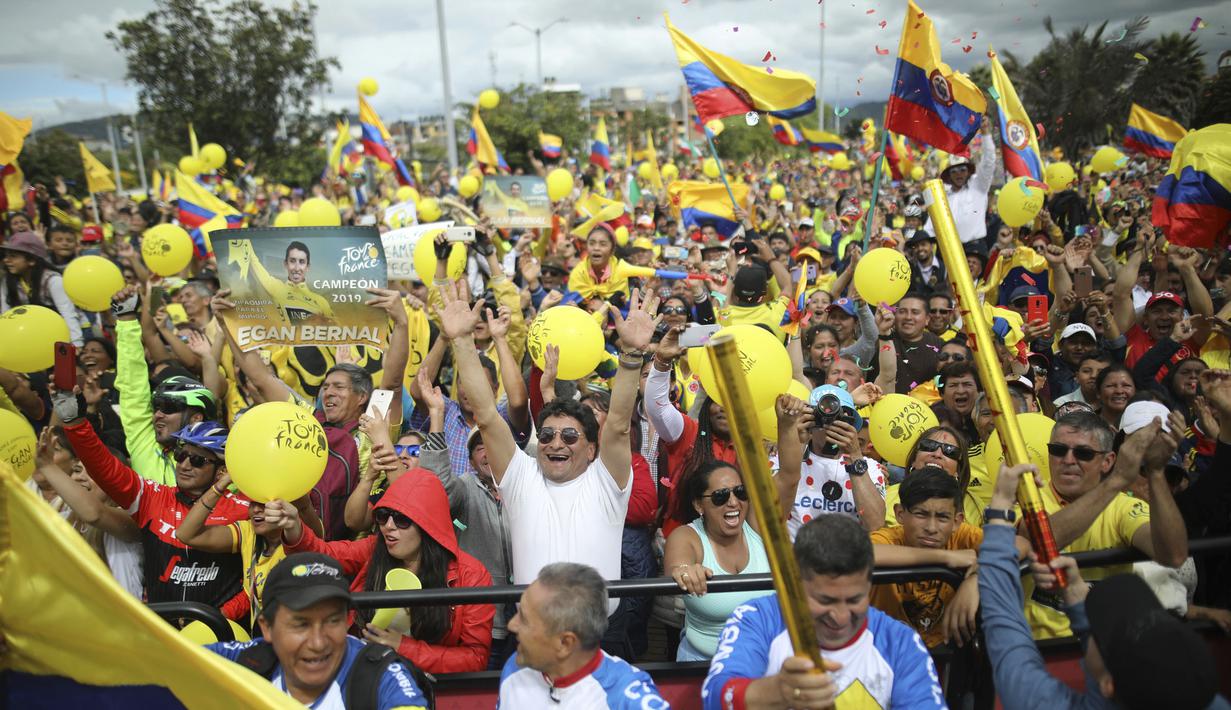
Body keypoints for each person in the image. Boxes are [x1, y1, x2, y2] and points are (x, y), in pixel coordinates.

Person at [446, 279, 653, 606]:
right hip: (531, 632)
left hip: (595, 633)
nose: (556, 443)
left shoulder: (606, 481)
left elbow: (617, 425)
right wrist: (460, 341)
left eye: (570, 435)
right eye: (547, 435)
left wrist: (630, 355)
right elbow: (486, 414)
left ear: (590, 449)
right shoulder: (521, 476)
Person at [978, 463, 1227, 710]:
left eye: (1099, 632)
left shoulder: (1047, 704)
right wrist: (1075, 592)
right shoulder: (1209, 702)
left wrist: (1000, 507)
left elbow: (1004, 627)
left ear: (1109, 685)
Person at [702, 515, 944, 710]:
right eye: (824, 600)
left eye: (854, 600)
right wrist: (776, 692)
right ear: (794, 584)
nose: (840, 616)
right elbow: (715, 697)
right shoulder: (758, 619)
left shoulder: (900, 643)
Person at [54, 387, 252, 620]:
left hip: (222, 632)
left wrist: (219, 619)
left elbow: (258, 579)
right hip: (160, 630)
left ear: (222, 472)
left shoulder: (244, 509)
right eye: (181, 455)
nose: (185, 465)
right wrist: (76, 423)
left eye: (197, 460)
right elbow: (105, 468)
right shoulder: (153, 497)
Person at [270, 469, 495, 673]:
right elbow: (322, 555)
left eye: (401, 519)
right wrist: (294, 526)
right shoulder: (374, 548)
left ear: (429, 524)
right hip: (365, 676)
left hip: (430, 689)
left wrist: (401, 647)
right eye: (382, 515)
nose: (388, 525)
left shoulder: (472, 576)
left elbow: (475, 658)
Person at [1028, 410, 1189, 639]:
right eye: (1058, 450)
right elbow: (1041, 539)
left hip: (1105, 648)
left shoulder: (1123, 506)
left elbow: (1173, 555)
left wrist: (1156, 471)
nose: (1068, 460)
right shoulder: (1026, 496)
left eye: (1083, 453)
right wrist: (1117, 480)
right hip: (1039, 650)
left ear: (1107, 461)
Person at [207, 553, 431, 709]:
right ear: (267, 627)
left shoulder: (379, 675)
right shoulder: (247, 660)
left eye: (332, 621)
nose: (318, 643)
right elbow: (175, 658)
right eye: (301, 624)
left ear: (346, 620)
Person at [871, 467, 1026, 648]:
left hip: (946, 654)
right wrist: (947, 557)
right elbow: (864, 553)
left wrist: (978, 577)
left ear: (957, 521)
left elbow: (1020, 543)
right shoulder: (888, 538)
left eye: (942, 517)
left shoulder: (962, 535)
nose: (931, 527)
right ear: (900, 514)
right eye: (921, 514)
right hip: (886, 653)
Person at [500, 562, 667, 708]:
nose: (512, 625)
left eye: (524, 619)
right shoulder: (516, 666)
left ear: (565, 643)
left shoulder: (628, 700)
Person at [664, 459, 773, 661]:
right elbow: (677, 565)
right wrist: (685, 571)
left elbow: (791, 477)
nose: (733, 502)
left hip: (764, 664)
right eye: (720, 496)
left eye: (740, 492)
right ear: (699, 505)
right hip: (703, 668)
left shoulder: (757, 526)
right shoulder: (687, 536)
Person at [109, 285, 219, 486]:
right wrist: (126, 320)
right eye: (156, 408)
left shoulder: (221, 465)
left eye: (168, 409)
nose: (157, 415)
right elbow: (132, 387)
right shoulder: (144, 444)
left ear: (196, 417)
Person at [776, 385, 887, 534]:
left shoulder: (871, 468)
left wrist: (855, 456)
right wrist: (795, 436)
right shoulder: (782, 461)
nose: (831, 424)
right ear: (809, 418)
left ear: (852, 423)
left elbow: (875, 524)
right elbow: (770, 518)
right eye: (822, 416)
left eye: (841, 417)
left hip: (845, 555)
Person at [0, 230, 83, 345]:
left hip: (73, 332)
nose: (6, 260)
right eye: (6, 256)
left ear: (32, 260)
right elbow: (6, 315)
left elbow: (68, 313)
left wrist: (77, 343)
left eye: (13, 256)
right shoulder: (8, 282)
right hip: (36, 335)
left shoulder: (53, 280)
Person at [922, 118, 996, 244]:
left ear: (968, 171)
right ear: (949, 176)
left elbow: (989, 162)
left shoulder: (979, 185)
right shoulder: (943, 195)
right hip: (951, 252)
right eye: (954, 171)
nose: (958, 174)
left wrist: (985, 133)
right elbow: (931, 226)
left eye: (962, 169)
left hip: (976, 248)